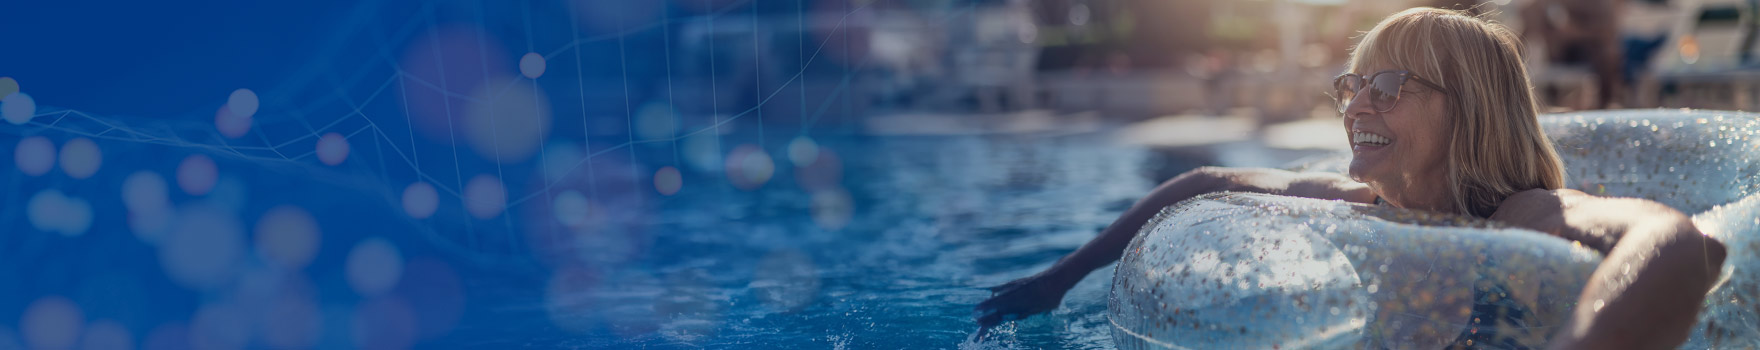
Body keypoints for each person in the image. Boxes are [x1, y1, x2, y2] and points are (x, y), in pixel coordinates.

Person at [973, 7, 1727, 350]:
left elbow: (1681, 242)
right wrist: (1057, 281)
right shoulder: (1358, 202)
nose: (1357, 103)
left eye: (1390, 84)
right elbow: (1201, 181)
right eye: (1351, 84)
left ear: (1469, 111)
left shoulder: (1523, 215)